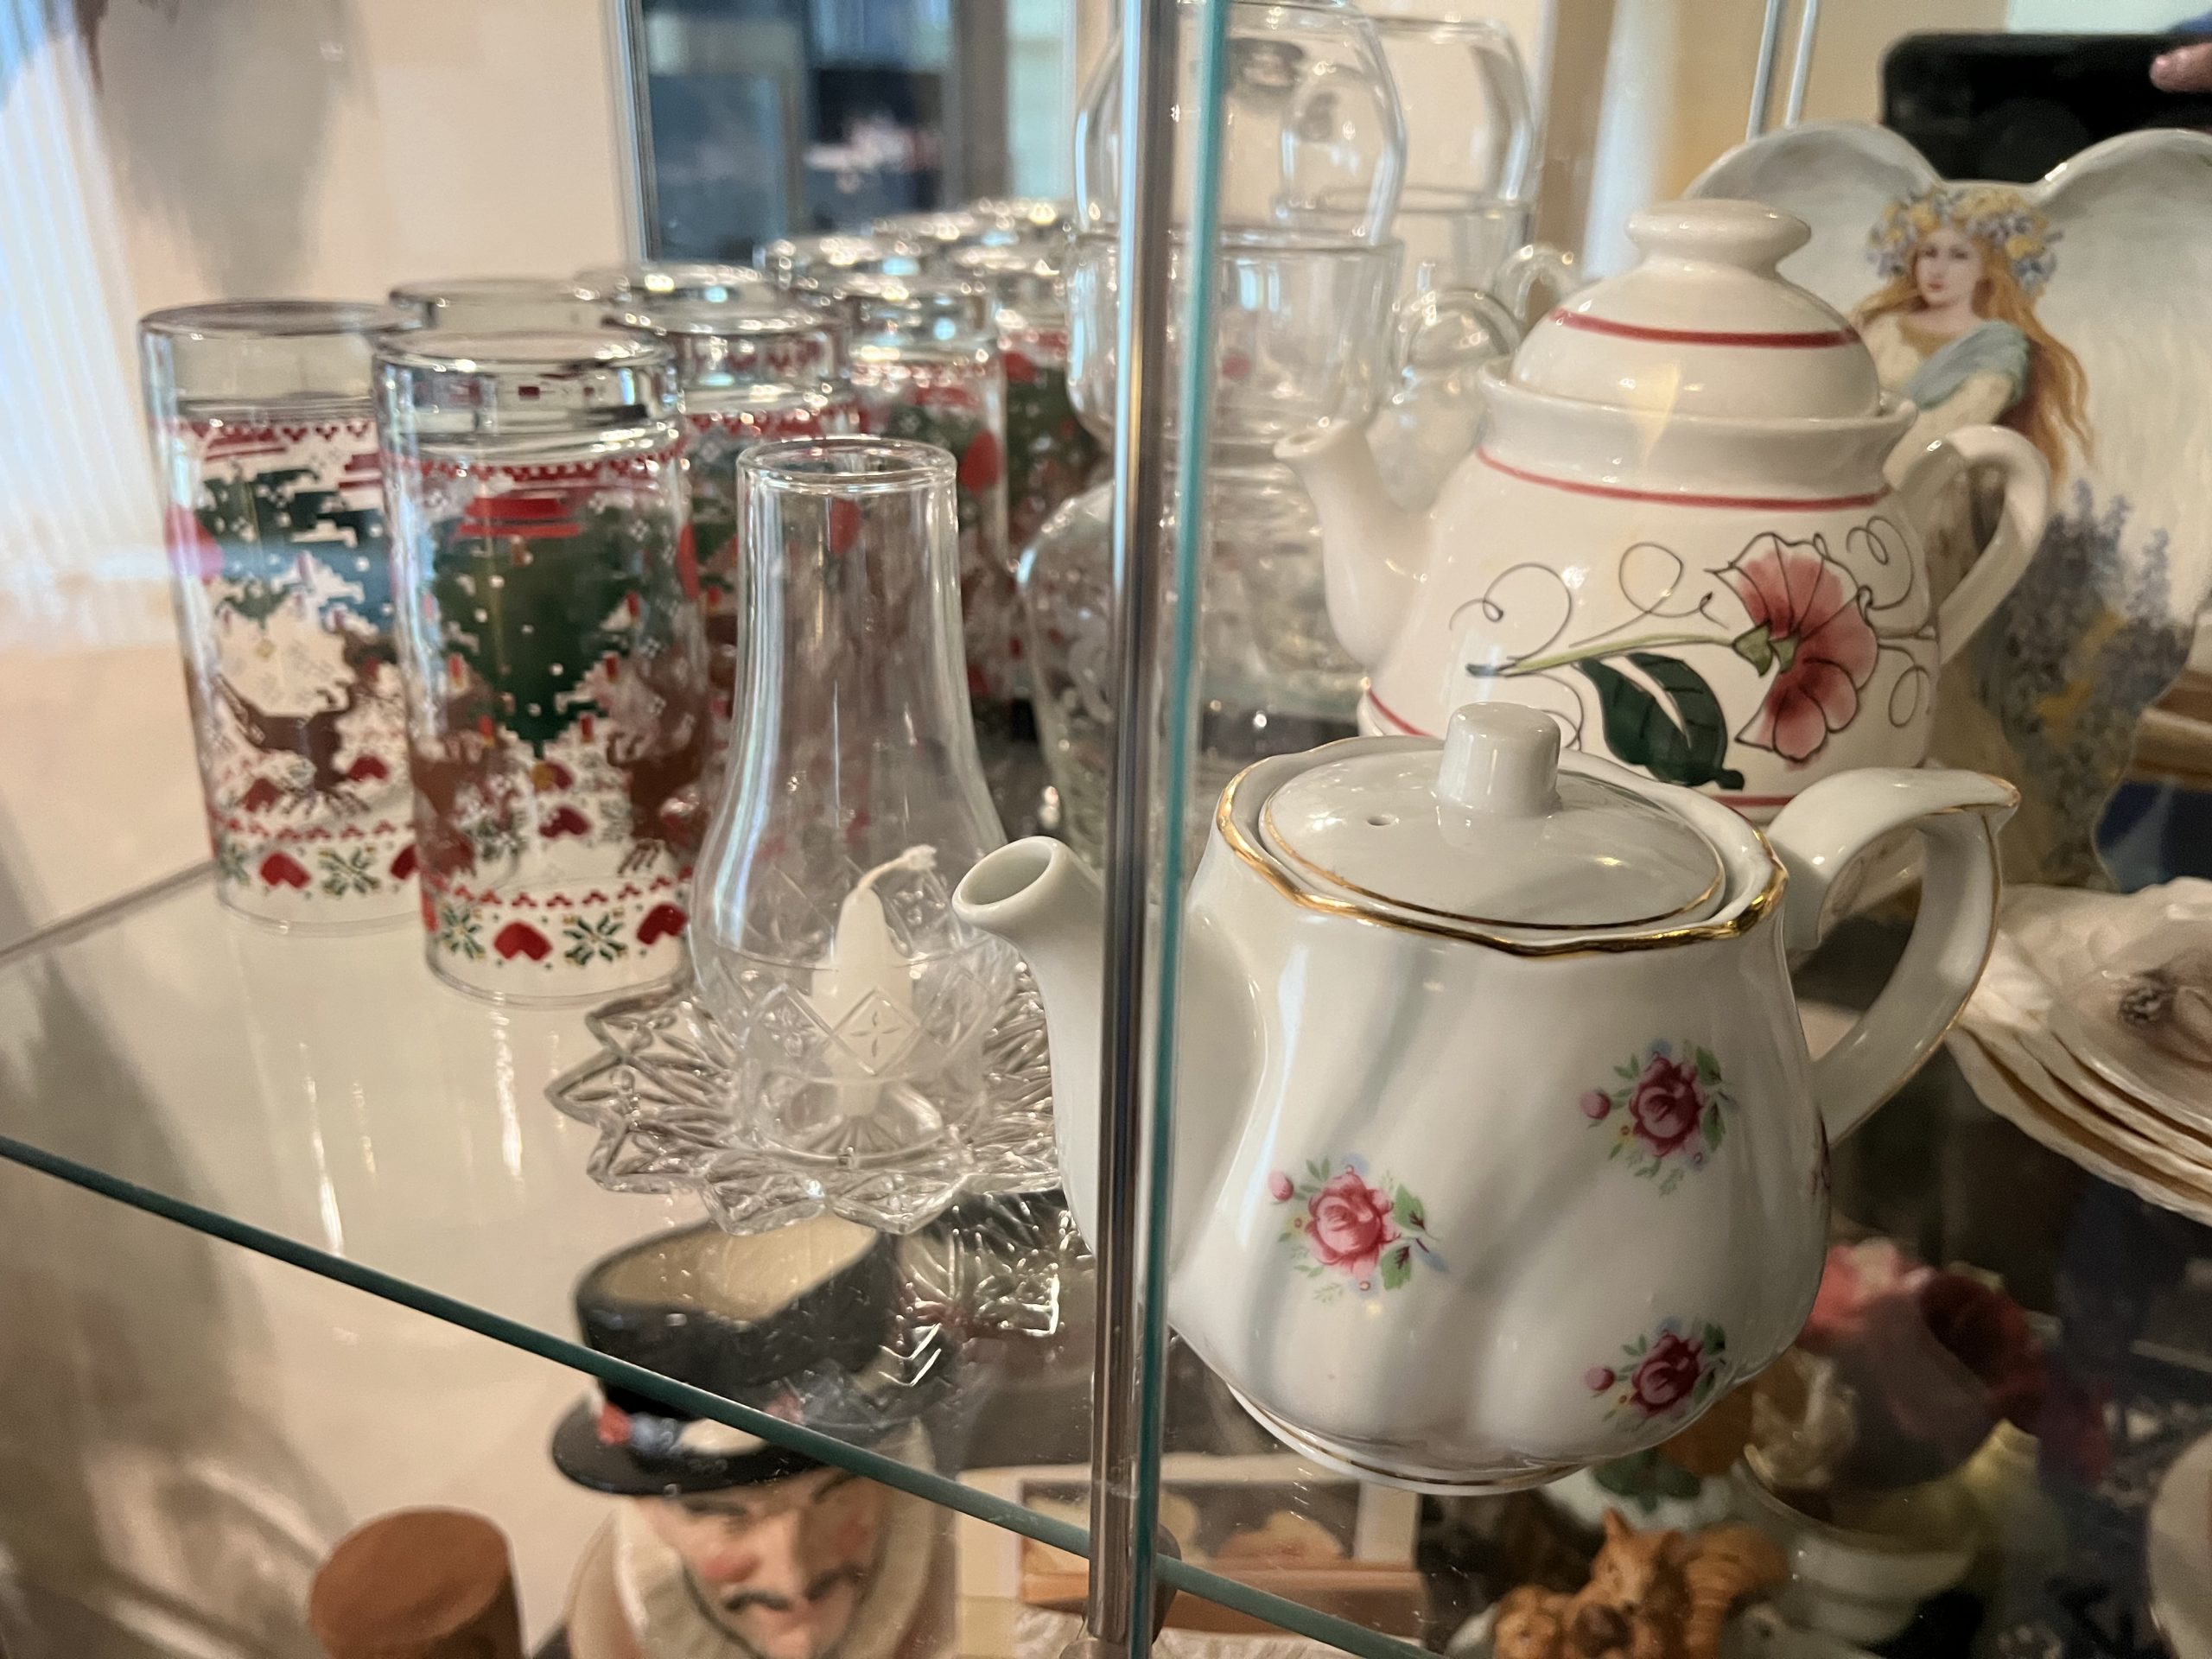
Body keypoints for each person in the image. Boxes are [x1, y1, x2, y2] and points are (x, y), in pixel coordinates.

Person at [1854, 183, 2091, 484]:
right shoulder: (1882, 328)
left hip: (1936, 485)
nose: (1937, 269)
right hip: (1861, 479)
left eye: (1959, 256)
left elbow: (1954, 428)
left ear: (1986, 269)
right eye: (1929, 253)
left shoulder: (1998, 346)